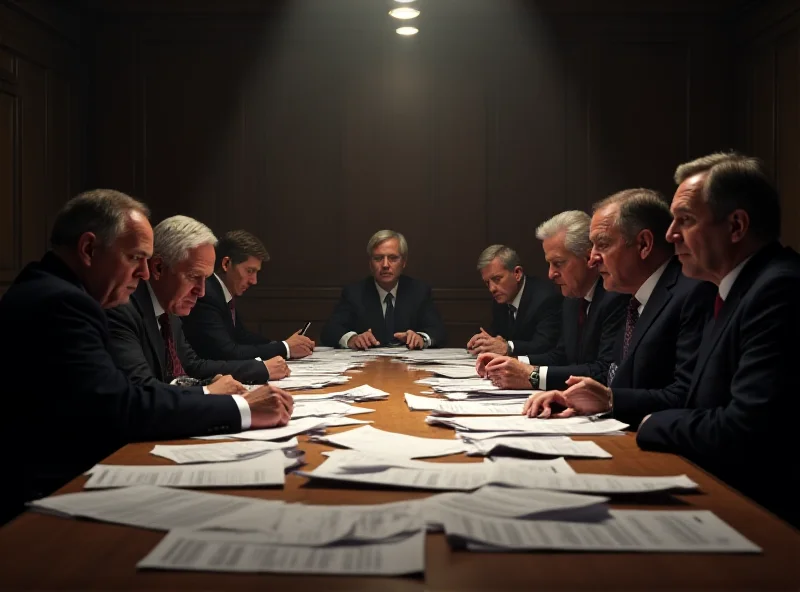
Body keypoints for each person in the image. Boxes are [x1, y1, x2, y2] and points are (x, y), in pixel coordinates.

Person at [524, 153, 799, 527]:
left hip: (755, 513)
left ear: (736, 226)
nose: (672, 234)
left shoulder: (776, 289)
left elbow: (745, 429)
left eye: (685, 220)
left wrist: (648, 420)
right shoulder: (731, 289)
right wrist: (607, 400)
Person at [0, 190, 293, 524]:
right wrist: (241, 408)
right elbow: (122, 405)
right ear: (88, 249)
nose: (143, 274)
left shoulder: (58, 291)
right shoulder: (65, 303)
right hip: (42, 499)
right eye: (134, 257)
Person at [106, 216, 289, 390]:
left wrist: (212, 383)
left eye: (206, 279)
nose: (201, 291)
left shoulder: (169, 310)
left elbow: (192, 365)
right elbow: (143, 390)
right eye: (193, 277)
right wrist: (207, 391)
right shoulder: (122, 308)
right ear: (158, 268)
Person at [476, 212, 627, 390]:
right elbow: (560, 356)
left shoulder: (615, 297)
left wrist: (531, 376)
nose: (550, 274)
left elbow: (604, 371)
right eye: (549, 264)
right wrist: (511, 363)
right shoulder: (571, 299)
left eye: (558, 263)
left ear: (589, 258)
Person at [182, 230, 315, 362]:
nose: (254, 281)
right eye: (249, 271)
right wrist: (285, 348)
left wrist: (285, 344)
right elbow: (227, 352)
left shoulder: (221, 293)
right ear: (226, 264)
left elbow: (241, 337)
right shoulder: (206, 295)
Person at [321, 229, 446, 349]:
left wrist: (421, 338)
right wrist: (352, 339)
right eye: (378, 258)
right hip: (367, 366)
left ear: (403, 262)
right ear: (370, 263)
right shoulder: (354, 293)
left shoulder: (419, 291)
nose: (385, 265)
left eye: (393, 258)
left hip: (407, 367)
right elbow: (331, 330)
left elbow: (438, 331)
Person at [466, 245, 562, 356]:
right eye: (487, 283)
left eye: (497, 279)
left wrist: (508, 347)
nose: (492, 288)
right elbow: (497, 336)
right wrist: (484, 341)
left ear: (517, 273)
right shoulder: (501, 299)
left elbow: (544, 345)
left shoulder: (545, 298)